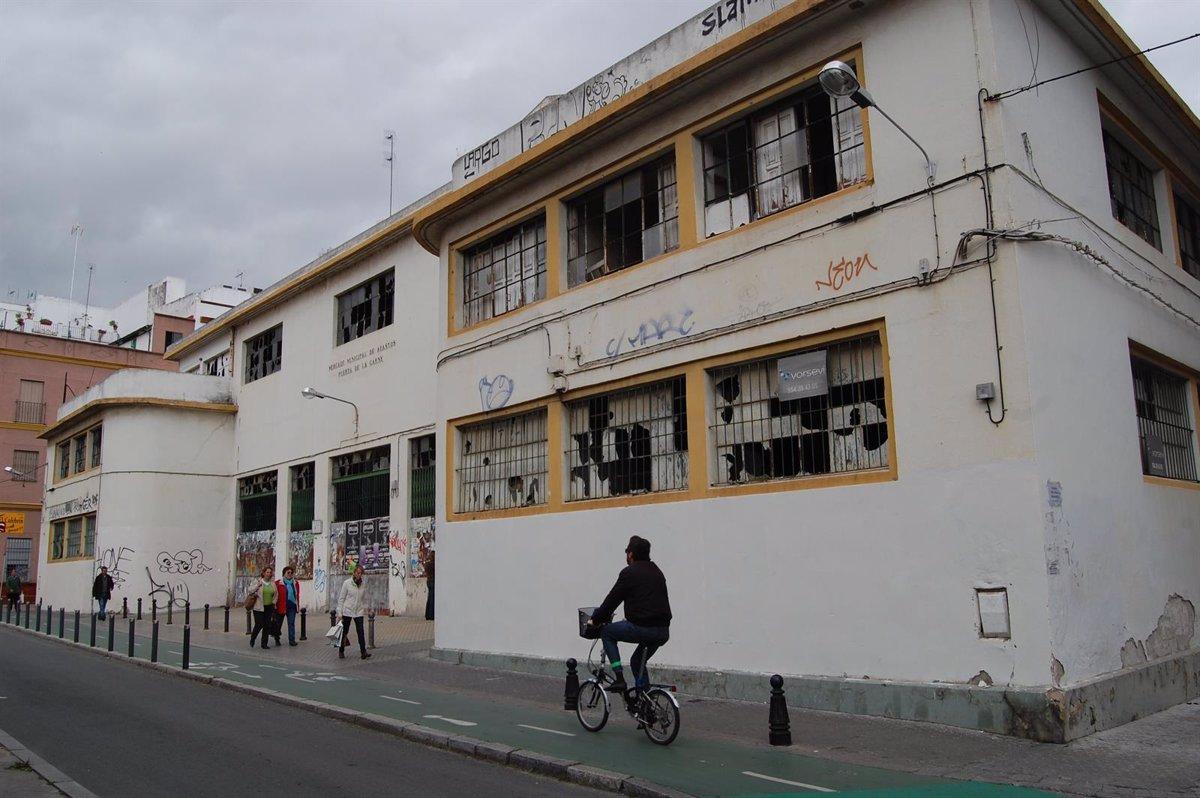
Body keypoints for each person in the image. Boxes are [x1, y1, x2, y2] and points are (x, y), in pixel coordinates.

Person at [587, 535, 671, 698]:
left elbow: (611, 601)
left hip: (642, 628)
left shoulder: (629, 573)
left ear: (631, 554)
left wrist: (595, 620)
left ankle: (619, 677)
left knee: (608, 632)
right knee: (637, 661)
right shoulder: (657, 571)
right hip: (662, 631)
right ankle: (645, 700)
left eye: (627, 552)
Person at [337, 565, 371, 660]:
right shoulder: (347, 583)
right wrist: (339, 612)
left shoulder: (363, 584)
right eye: (358, 573)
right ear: (354, 573)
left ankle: (363, 652)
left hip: (358, 611)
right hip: (347, 611)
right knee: (345, 632)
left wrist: (366, 608)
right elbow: (341, 598)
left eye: (361, 573)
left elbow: (364, 598)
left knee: (360, 632)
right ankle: (341, 650)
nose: (359, 575)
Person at [248, 566, 277, 649]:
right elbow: (250, 590)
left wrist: (273, 603)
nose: (269, 574)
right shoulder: (258, 581)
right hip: (258, 607)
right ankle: (253, 638)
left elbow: (276, 594)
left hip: (269, 606)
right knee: (259, 624)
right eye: (267, 572)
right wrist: (257, 585)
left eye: (270, 572)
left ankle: (264, 644)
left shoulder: (272, 584)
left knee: (267, 625)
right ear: (263, 573)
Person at [277, 566, 301, 647]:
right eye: (288, 572)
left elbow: (297, 594)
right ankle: (277, 638)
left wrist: (297, 605)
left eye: (291, 573)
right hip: (282, 606)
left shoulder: (295, 583)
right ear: (284, 574)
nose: (290, 574)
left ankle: (292, 640)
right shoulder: (278, 583)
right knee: (278, 624)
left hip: (292, 606)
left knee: (291, 623)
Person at [422, 548, 435, 621]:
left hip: (429, 581)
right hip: (433, 581)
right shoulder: (433, 564)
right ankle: (431, 615)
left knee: (429, 598)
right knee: (432, 599)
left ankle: (428, 615)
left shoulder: (427, 563)